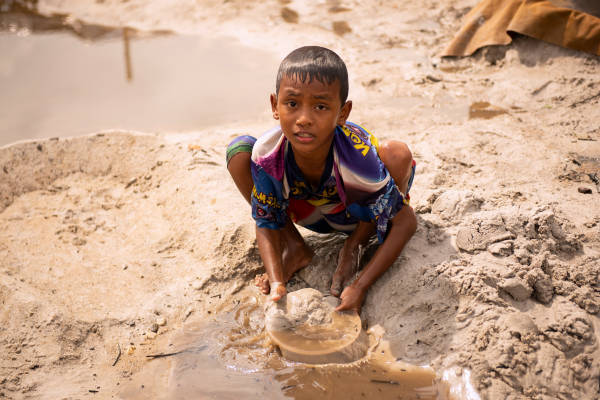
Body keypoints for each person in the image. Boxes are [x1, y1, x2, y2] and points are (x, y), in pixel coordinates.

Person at [226, 46, 416, 313]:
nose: (304, 119)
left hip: (360, 213)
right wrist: (278, 281)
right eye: (292, 104)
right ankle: (294, 247)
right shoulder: (270, 153)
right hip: (309, 212)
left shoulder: (356, 158)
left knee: (396, 153)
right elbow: (265, 220)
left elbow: (406, 221)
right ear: (275, 106)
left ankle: (356, 244)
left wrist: (360, 285)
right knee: (239, 151)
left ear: (342, 113)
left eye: (320, 106)